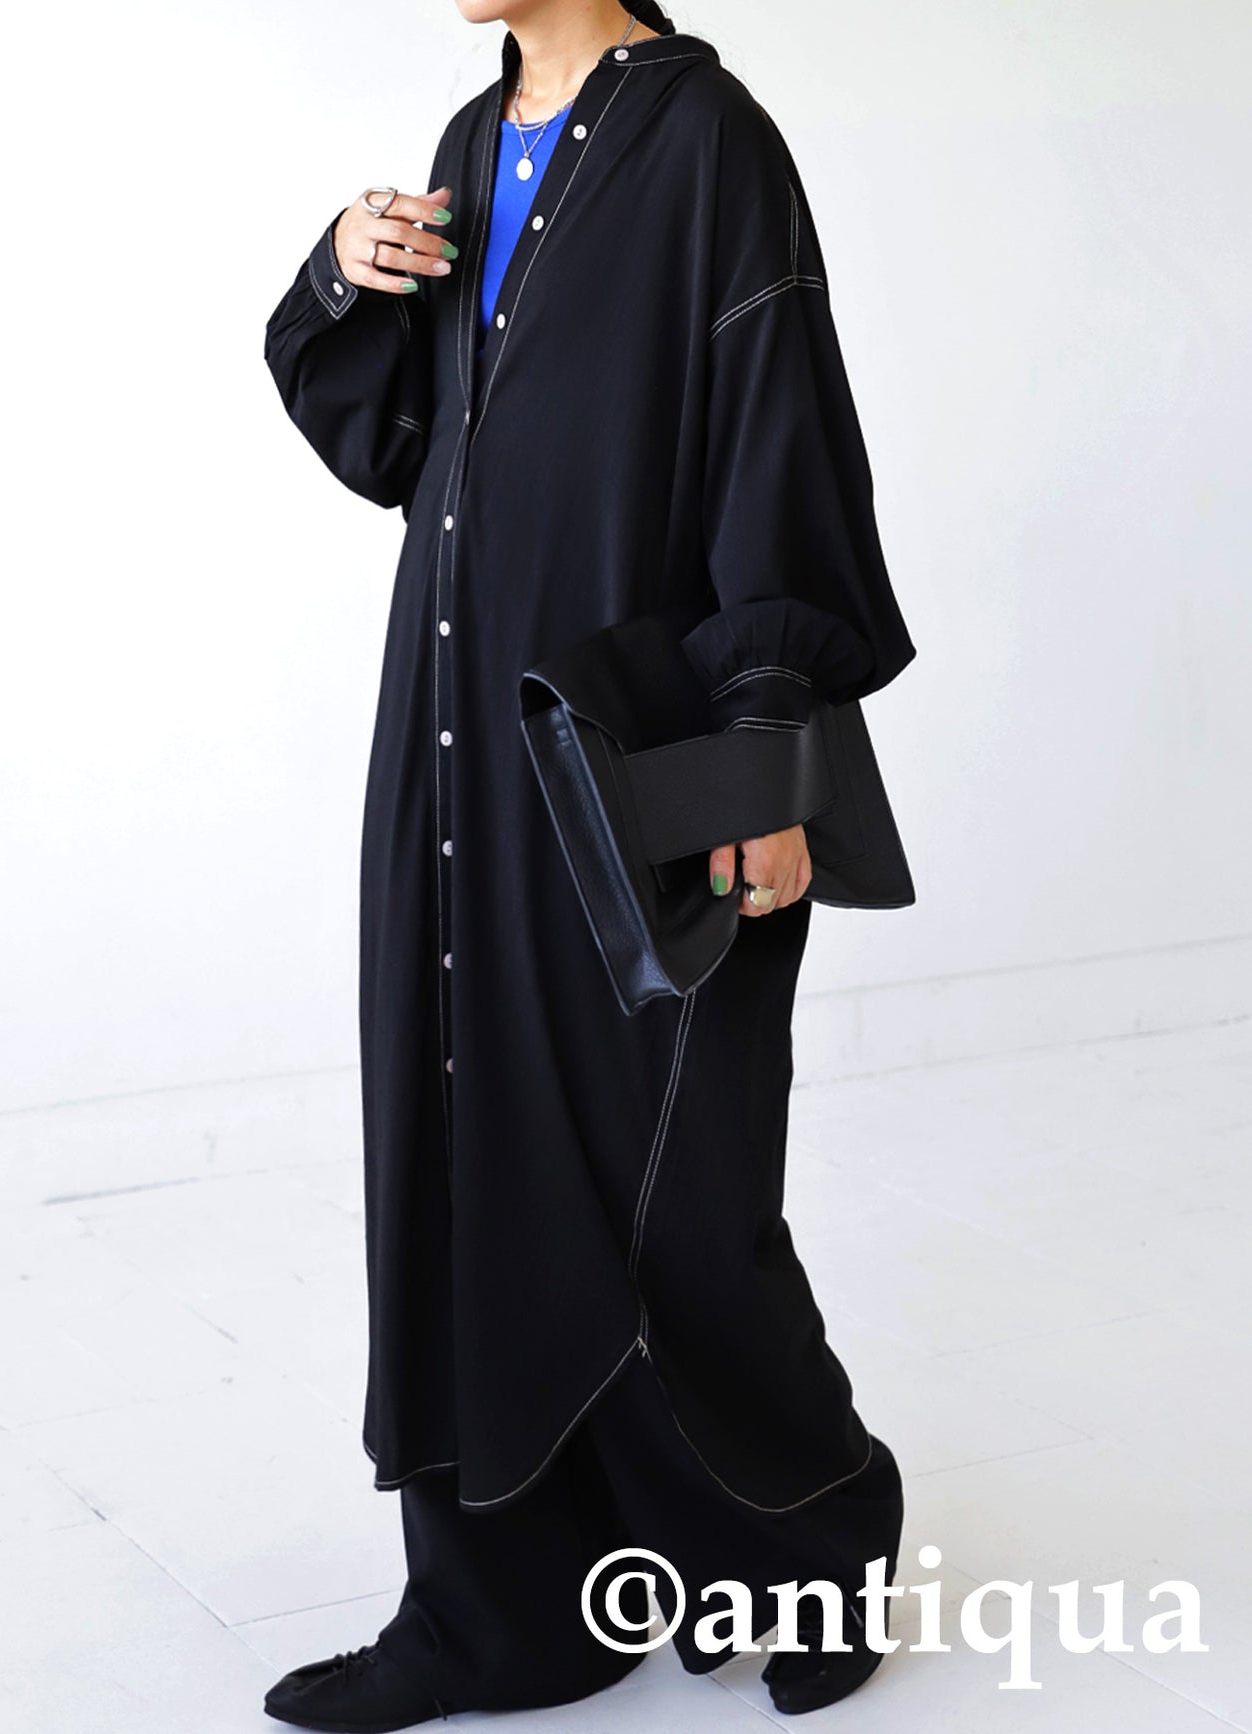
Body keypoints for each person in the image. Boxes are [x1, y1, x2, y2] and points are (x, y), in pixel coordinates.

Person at [260, 0, 917, 1724]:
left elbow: (778, 447)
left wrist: (761, 759)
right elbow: (403, 447)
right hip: (454, 737)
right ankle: (498, 1611)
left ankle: (819, 1544)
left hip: (632, 755)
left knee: (674, 1179)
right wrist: (341, 277)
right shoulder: (470, 144)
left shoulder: (708, 144)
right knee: (464, 1144)